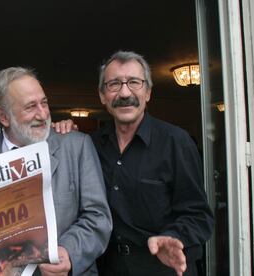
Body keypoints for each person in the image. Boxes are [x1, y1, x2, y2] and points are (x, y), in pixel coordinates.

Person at [0, 67, 112, 276]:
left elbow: (98, 217)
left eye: (44, 103)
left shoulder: (77, 146)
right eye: (31, 107)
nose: (43, 114)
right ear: (3, 116)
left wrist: (68, 252)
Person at [90, 50, 214, 276]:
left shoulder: (176, 142)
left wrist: (174, 236)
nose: (125, 92)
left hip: (163, 267)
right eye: (114, 84)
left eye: (134, 83)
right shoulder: (91, 146)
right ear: (102, 96)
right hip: (109, 268)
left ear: (148, 92)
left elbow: (198, 215)